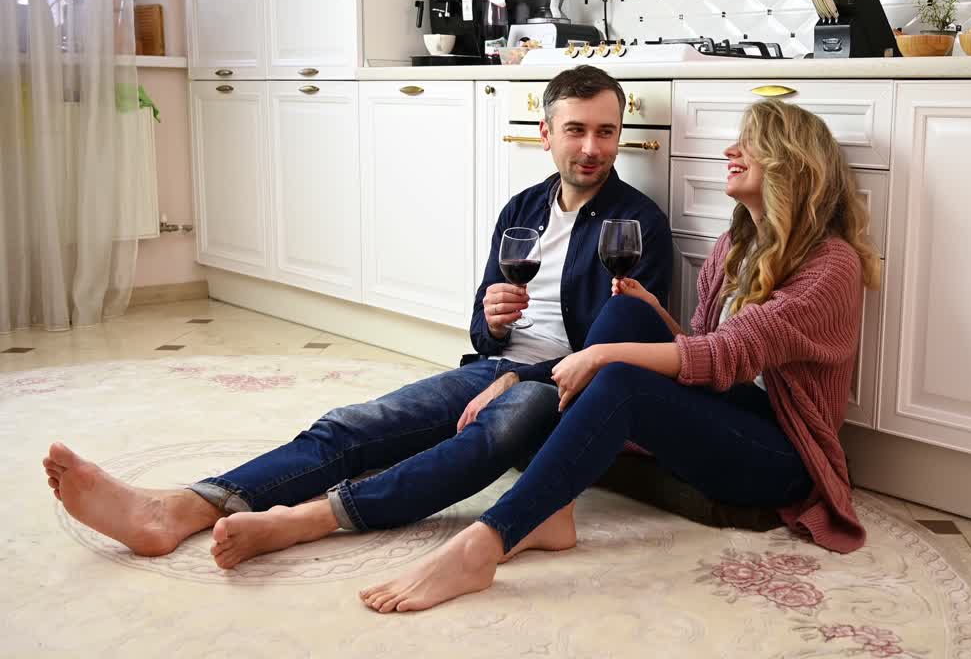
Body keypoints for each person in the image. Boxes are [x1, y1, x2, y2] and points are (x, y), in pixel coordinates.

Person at [42, 65, 673, 570]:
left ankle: (304, 519)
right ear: (545, 133)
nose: (592, 148)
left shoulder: (639, 223)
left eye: (607, 132)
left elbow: (613, 357)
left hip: (563, 394)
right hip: (494, 368)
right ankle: (180, 508)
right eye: (576, 130)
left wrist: (521, 378)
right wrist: (494, 322)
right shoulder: (522, 209)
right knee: (351, 426)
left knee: (486, 438)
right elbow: (481, 336)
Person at [358, 99, 883, 613]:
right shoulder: (734, 247)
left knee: (619, 378)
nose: (731, 149)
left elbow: (728, 353)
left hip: (785, 455)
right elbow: (703, 348)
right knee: (629, 314)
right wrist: (654, 314)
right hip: (734, 412)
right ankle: (553, 508)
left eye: (749, 143)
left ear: (789, 160)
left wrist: (600, 355)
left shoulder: (831, 265)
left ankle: (484, 544)